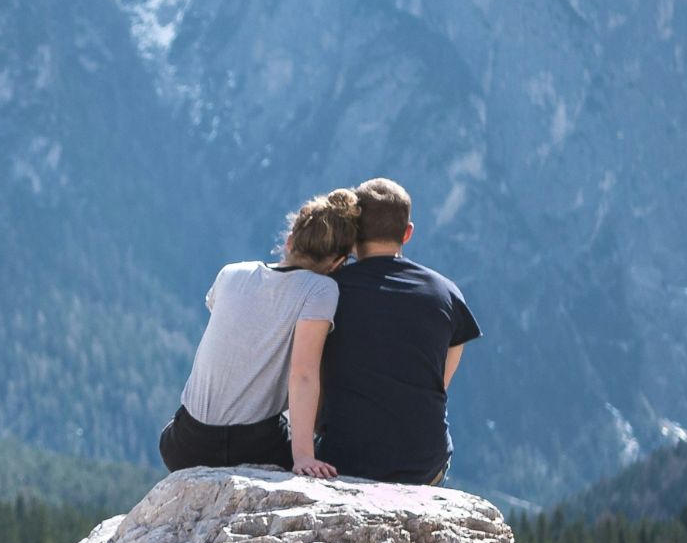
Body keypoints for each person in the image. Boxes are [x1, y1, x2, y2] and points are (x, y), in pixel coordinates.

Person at [159, 189, 360, 479]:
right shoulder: (321, 289)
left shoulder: (231, 273)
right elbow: (303, 374)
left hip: (185, 444)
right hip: (253, 446)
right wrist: (303, 456)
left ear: (290, 241)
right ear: (338, 263)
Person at [317, 177, 481, 484]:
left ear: (353, 233)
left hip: (344, 460)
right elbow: (439, 382)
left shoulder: (328, 291)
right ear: (407, 233)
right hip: (424, 465)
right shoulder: (446, 293)